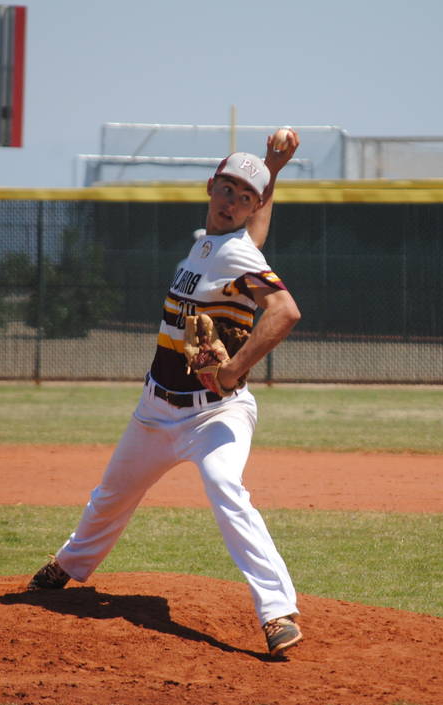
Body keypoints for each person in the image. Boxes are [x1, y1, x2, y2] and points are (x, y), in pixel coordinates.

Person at [27, 129, 306, 658]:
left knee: (227, 487)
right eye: (227, 189)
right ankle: (71, 563)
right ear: (210, 186)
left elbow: (285, 312)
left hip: (216, 413)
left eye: (246, 196)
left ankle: (277, 613)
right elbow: (255, 236)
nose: (234, 202)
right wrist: (273, 167)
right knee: (112, 494)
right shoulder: (210, 244)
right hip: (156, 409)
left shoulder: (236, 253)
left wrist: (232, 373)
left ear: (250, 206)